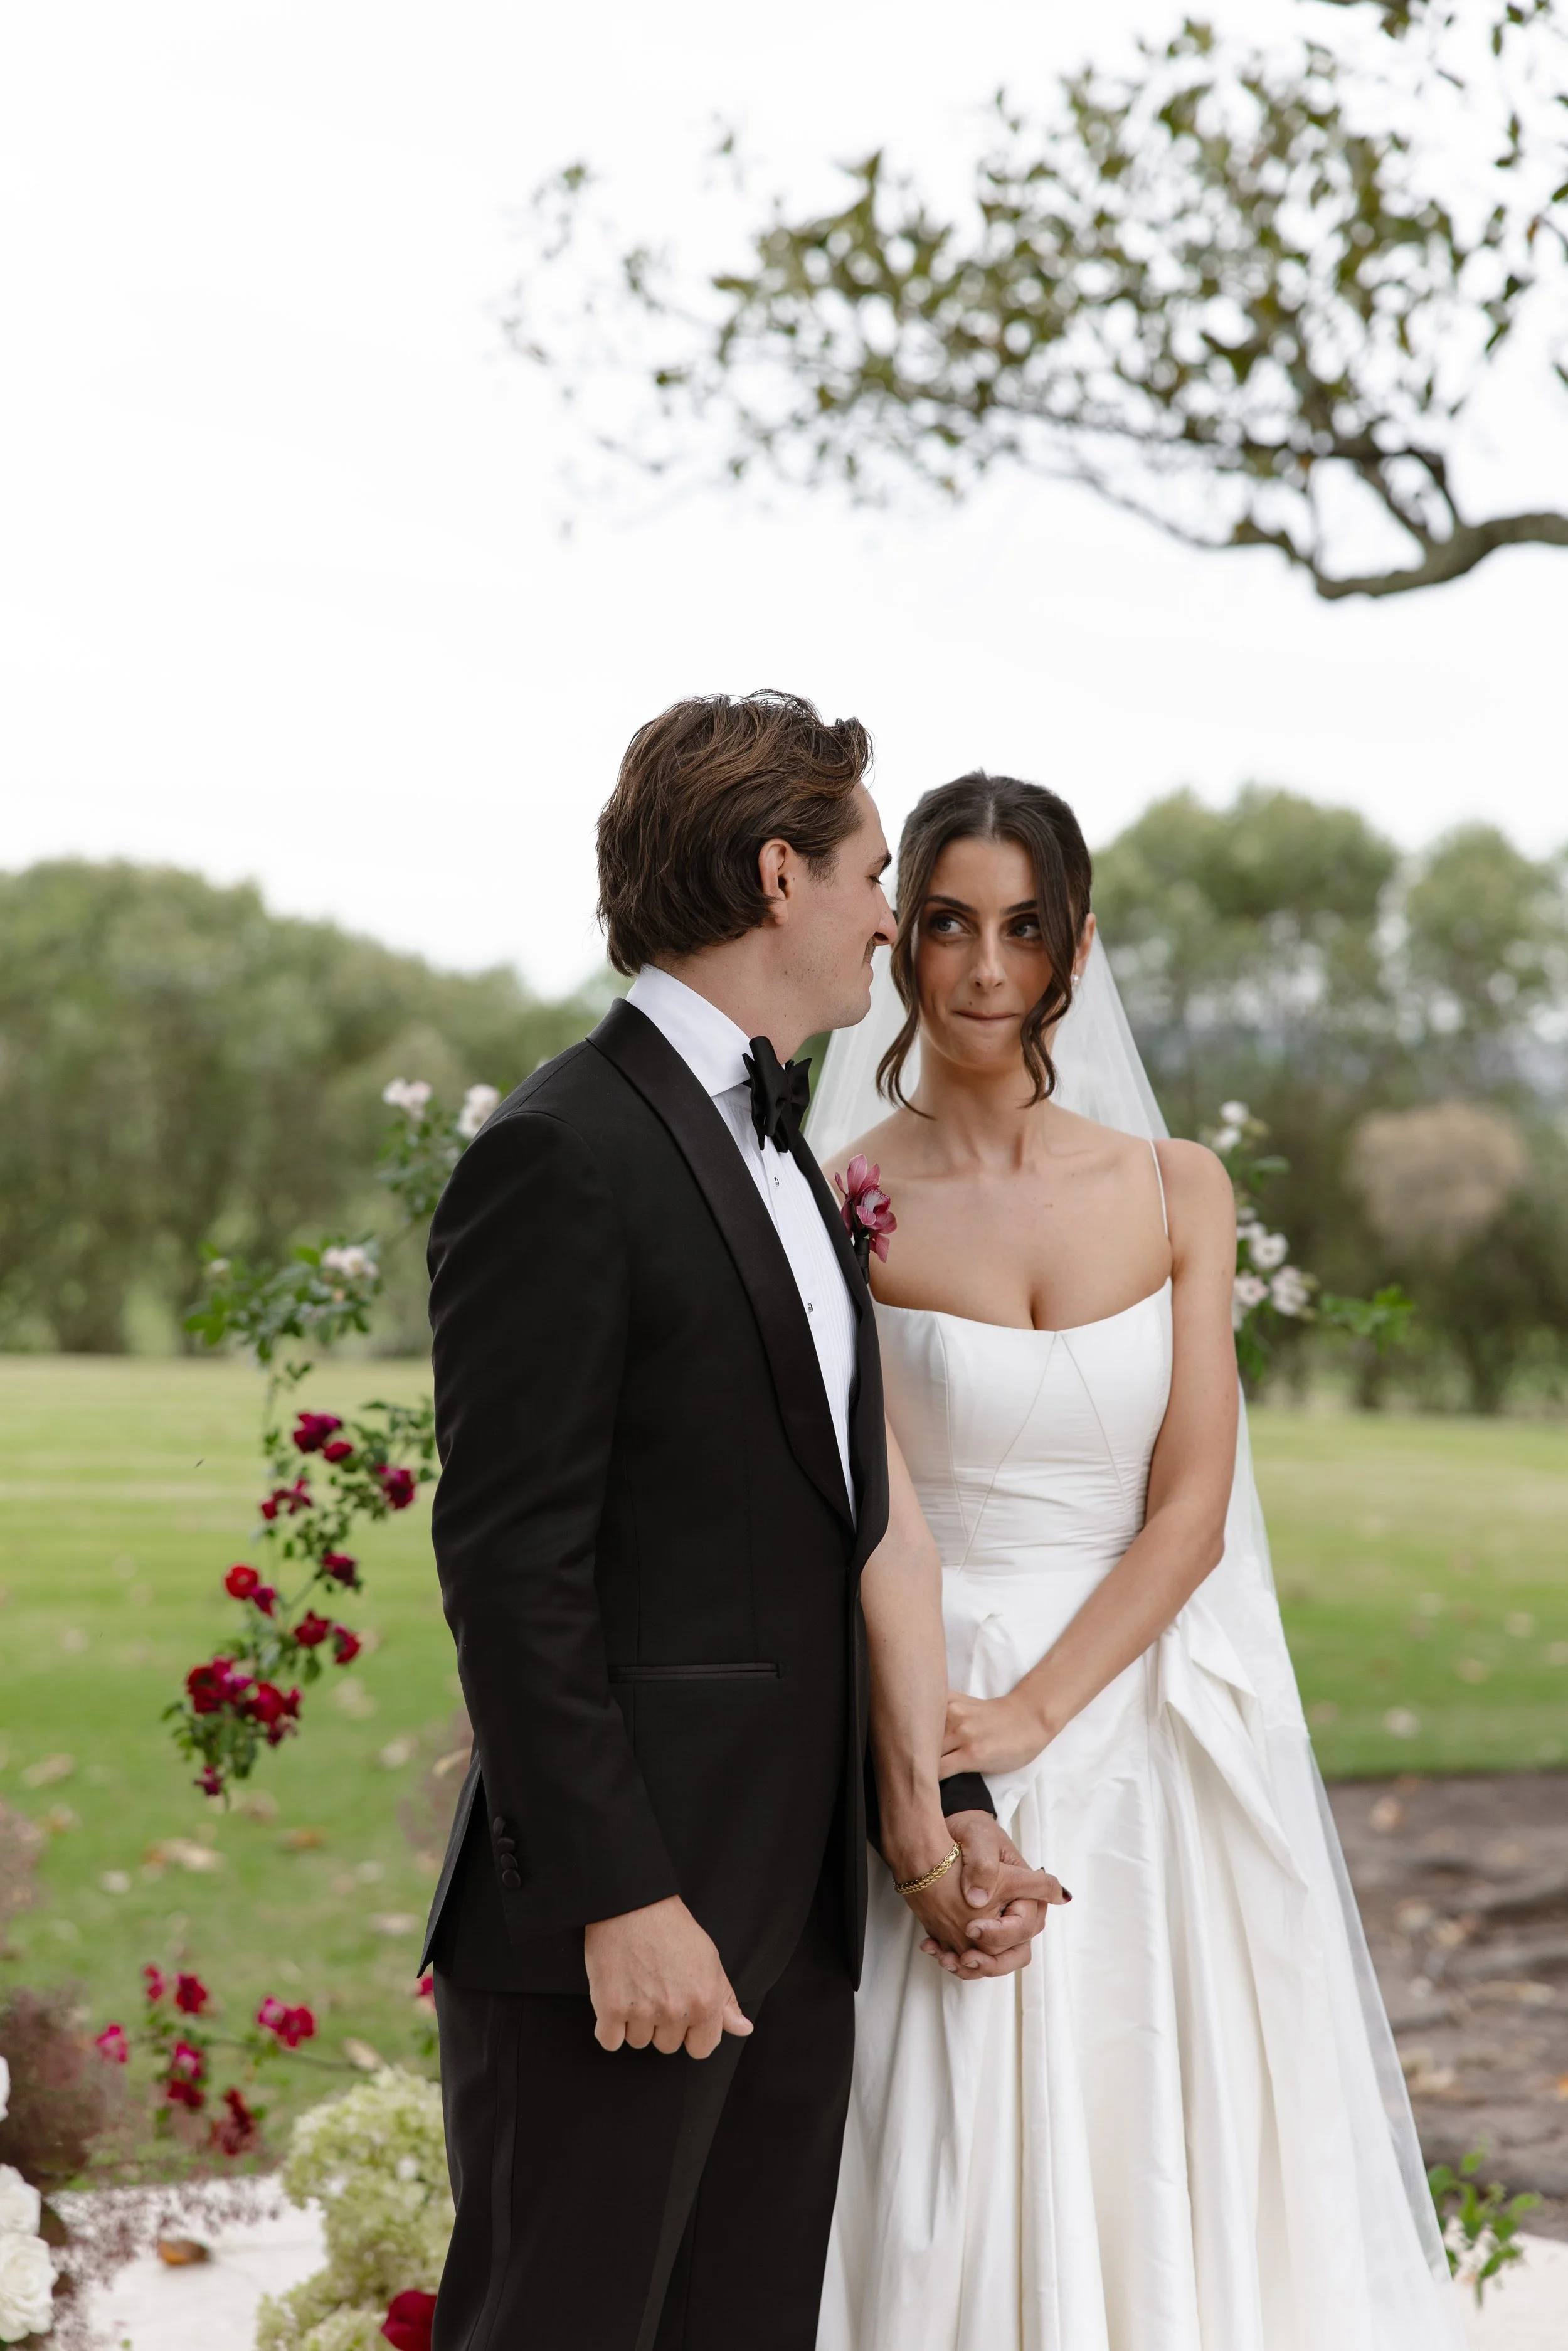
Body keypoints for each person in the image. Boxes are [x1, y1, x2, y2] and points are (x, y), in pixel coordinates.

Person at [418, 696, 1064, 2351]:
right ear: (778, 875)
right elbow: (511, 1569)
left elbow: (835, 1536)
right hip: (629, 1933)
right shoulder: (561, 1152)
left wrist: (948, 1793)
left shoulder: (794, 1157)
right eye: (865, 873)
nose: (881, 915)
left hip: (789, 1922)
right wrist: (618, 1895)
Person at [810, 773, 1465, 2351]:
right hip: (932, 1700)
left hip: (1139, 1713)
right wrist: (959, 1741)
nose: (982, 969)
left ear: (1075, 949)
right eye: (951, 924)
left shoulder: (1177, 1189)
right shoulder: (841, 1198)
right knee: (950, 2132)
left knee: (1176, 2112)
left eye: (1021, 929)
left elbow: (1189, 1505)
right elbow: (857, 1501)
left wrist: (1036, 1709)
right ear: (901, 943)